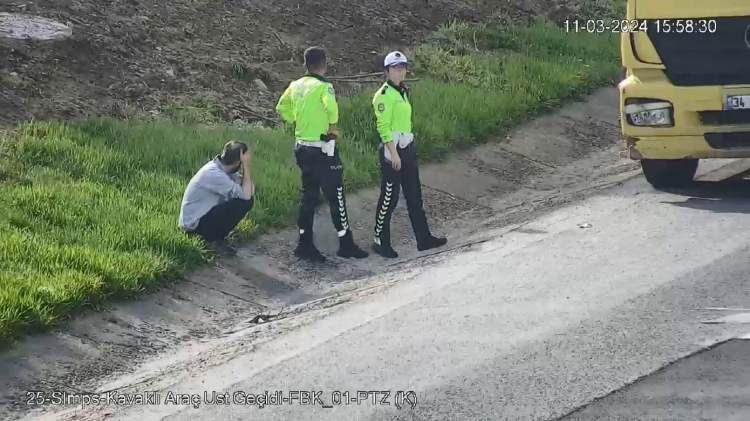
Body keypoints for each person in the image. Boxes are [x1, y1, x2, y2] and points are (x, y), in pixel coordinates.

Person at [276, 46, 368, 262]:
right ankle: (346, 244)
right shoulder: (324, 86)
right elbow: (332, 108)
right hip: (322, 148)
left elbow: (281, 107)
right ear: (324, 64)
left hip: (302, 147)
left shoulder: (295, 85)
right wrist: (333, 128)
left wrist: (296, 119)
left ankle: (304, 243)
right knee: (336, 195)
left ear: (305, 64)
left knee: (309, 196)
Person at [371, 51, 447, 258]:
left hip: (407, 148)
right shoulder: (384, 96)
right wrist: (394, 154)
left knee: (414, 196)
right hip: (392, 151)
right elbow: (383, 127)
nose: (400, 71)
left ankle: (424, 238)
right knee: (390, 198)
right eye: (395, 68)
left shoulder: (402, 92)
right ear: (387, 71)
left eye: (402, 67)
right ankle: (380, 241)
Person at [179, 140, 255, 254]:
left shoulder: (224, 169)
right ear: (237, 162)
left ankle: (217, 237)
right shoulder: (214, 174)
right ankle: (211, 240)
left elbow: (250, 190)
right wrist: (247, 168)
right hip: (193, 226)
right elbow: (246, 196)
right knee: (243, 203)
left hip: (202, 217)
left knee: (245, 201)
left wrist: (244, 171)